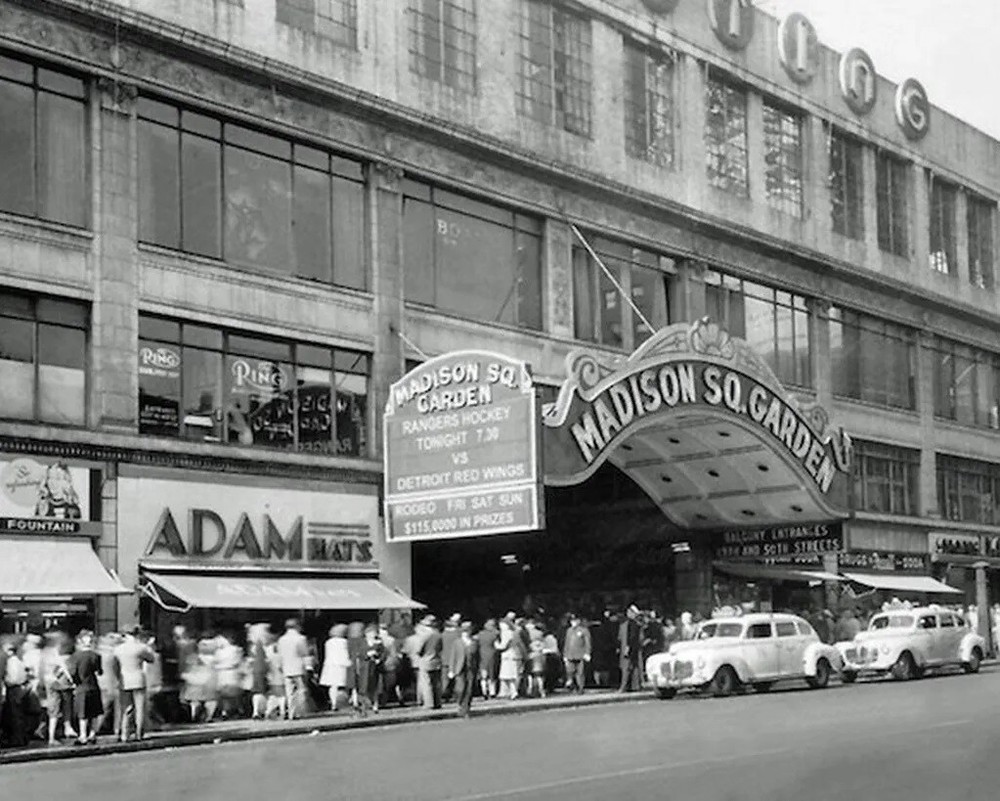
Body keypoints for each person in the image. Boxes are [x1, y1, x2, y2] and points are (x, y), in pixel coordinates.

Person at [114, 627, 154, 742]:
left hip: (124, 680)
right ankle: (139, 734)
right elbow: (151, 659)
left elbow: (115, 665)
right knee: (140, 708)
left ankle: (124, 734)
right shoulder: (140, 648)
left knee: (126, 708)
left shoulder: (118, 649)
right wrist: (148, 646)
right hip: (138, 679)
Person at [41, 632, 76, 746]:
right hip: (62, 684)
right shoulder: (60, 655)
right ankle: (65, 729)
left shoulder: (45, 653)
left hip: (49, 683)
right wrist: (71, 680)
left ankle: (52, 735)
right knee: (65, 707)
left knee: (53, 711)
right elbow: (64, 669)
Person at [68, 630, 102, 744]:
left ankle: (83, 735)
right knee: (94, 712)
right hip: (93, 685)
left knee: (82, 714)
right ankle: (92, 734)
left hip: (81, 687)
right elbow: (99, 672)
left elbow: (72, 673)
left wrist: (74, 682)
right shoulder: (96, 655)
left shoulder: (76, 656)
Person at [277, 619, 309, 720]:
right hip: (298, 667)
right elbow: (304, 653)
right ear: (297, 626)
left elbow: (280, 654)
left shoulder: (281, 639)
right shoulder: (301, 638)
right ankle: (299, 712)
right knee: (301, 690)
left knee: (289, 692)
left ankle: (291, 712)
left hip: (286, 667)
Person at [447, 621, 480, 717]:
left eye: (468, 630)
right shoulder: (457, 642)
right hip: (459, 668)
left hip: (471, 669)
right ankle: (460, 704)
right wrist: (451, 670)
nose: (466, 632)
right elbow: (453, 656)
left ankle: (466, 708)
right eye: (464, 631)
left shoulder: (474, 642)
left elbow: (478, 657)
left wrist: (480, 670)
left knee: (469, 689)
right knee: (460, 688)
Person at [319, 624, 352, 712]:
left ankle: (334, 703)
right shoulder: (346, 642)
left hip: (331, 665)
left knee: (333, 686)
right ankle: (347, 702)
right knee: (346, 685)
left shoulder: (328, 642)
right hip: (343, 664)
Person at [355, 625, 386, 717]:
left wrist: (379, 659)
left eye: (374, 633)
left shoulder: (379, 643)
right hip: (364, 667)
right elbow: (358, 653)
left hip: (374, 667)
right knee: (364, 686)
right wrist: (367, 654)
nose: (373, 635)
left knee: (375, 686)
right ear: (367, 634)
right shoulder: (362, 642)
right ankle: (363, 705)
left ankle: (375, 705)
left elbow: (384, 653)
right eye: (371, 633)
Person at [213, 632, 244, 719]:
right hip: (227, 672)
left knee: (229, 694)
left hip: (226, 672)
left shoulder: (233, 650)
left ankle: (231, 711)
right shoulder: (234, 650)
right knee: (229, 694)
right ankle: (231, 711)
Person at [416, 616, 443, 710]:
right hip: (437, 660)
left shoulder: (425, 635)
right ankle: (438, 702)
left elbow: (419, 649)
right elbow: (440, 648)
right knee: (436, 683)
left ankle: (429, 703)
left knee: (426, 683)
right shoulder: (438, 634)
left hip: (426, 660)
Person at [563, 614, 591, 694]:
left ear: (578, 621)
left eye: (575, 621)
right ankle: (572, 687)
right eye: (572, 621)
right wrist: (565, 655)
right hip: (570, 654)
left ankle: (580, 688)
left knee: (580, 672)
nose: (573, 622)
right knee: (570, 672)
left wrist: (587, 653)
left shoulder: (584, 630)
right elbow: (567, 643)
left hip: (580, 654)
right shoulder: (569, 631)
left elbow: (587, 643)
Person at [618, 605, 642, 693]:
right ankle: (636, 686)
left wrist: (627, 647)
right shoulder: (636, 624)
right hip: (635, 649)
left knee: (626, 668)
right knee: (634, 667)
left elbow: (630, 637)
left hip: (629, 648)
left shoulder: (630, 624)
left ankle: (623, 687)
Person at [497, 617, 523, 700]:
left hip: (507, 655)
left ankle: (512, 692)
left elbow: (503, 646)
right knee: (512, 675)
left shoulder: (506, 633)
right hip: (514, 654)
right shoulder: (514, 633)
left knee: (508, 676)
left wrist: (496, 644)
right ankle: (513, 691)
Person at [476, 619, 499, 700]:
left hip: (482, 655)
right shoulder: (495, 634)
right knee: (492, 674)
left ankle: (484, 692)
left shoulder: (480, 634)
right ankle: (492, 692)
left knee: (483, 675)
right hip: (492, 655)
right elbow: (497, 646)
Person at [440, 613, 461, 702]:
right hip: (456, 659)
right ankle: (458, 695)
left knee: (445, 679)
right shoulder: (458, 634)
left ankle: (444, 695)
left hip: (444, 659)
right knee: (457, 678)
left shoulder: (442, 635)